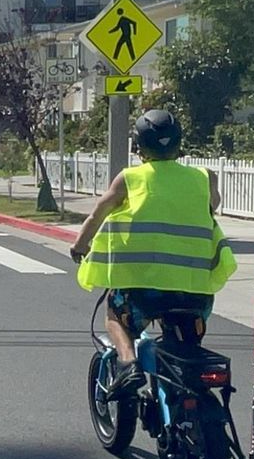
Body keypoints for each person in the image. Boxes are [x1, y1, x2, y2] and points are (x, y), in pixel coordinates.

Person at [69, 108, 235, 399]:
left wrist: (80, 246)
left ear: (139, 146)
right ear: (178, 143)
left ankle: (128, 364)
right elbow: (212, 206)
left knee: (115, 314)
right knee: (187, 347)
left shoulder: (130, 179)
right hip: (195, 293)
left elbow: (98, 214)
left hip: (143, 292)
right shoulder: (204, 177)